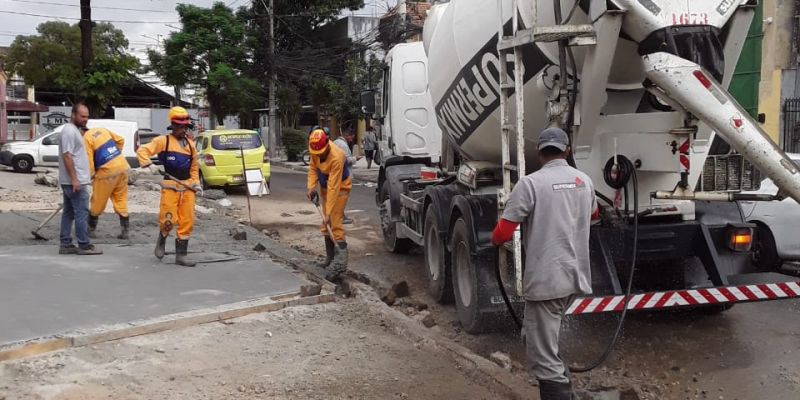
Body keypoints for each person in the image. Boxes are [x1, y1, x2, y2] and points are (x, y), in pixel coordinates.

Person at [490, 127, 596, 400]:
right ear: (567, 151)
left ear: (539, 154)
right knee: (539, 340)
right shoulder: (584, 180)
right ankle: (564, 387)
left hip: (547, 281)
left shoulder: (530, 184)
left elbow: (502, 234)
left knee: (542, 358)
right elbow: (594, 215)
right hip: (574, 278)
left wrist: (493, 239)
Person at [136, 106, 201, 267]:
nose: (182, 129)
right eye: (179, 126)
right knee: (168, 219)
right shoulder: (162, 141)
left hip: (187, 188)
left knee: (187, 220)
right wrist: (148, 164)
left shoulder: (191, 146)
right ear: (173, 125)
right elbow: (142, 151)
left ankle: (181, 255)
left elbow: (194, 168)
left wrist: (196, 184)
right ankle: (162, 237)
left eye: (184, 126)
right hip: (170, 186)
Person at [306, 129, 351, 280]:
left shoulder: (337, 157)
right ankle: (330, 259)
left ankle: (340, 263)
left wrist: (328, 213)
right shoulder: (315, 148)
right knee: (326, 224)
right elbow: (313, 168)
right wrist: (311, 187)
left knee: (334, 221)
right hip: (325, 187)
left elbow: (334, 187)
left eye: (320, 153)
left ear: (326, 145)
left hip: (340, 188)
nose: (317, 155)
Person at [58, 103, 102, 255]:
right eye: (82, 116)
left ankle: (65, 244)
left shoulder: (73, 131)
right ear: (73, 115)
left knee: (69, 213)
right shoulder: (69, 131)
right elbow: (67, 155)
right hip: (75, 182)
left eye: (87, 116)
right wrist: (75, 179)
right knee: (81, 213)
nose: (85, 119)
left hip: (71, 181)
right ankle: (84, 244)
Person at [84, 127, 130, 239]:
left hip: (106, 173)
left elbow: (88, 160)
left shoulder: (86, 139)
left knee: (98, 201)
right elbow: (121, 140)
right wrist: (114, 158)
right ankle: (125, 232)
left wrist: (90, 175)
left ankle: (90, 230)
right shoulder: (102, 130)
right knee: (120, 199)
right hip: (122, 167)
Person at [332, 131, 360, 225]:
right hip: (343, 175)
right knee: (342, 198)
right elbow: (346, 160)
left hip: (336, 174)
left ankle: (338, 216)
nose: (352, 139)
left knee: (337, 197)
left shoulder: (336, 142)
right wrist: (356, 158)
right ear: (347, 135)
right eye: (351, 137)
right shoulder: (343, 145)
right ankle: (340, 217)